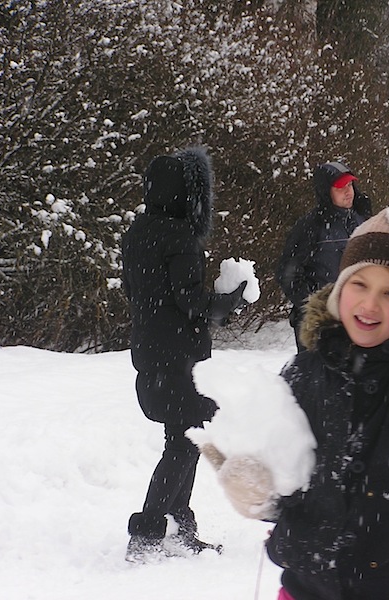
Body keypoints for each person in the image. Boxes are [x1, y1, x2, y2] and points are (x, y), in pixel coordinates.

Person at [216, 200, 389, 599]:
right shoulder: (302, 374)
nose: (370, 305)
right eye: (359, 285)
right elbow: (291, 482)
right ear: (338, 290)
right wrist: (261, 492)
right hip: (307, 587)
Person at [121, 146, 247, 562]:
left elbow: (139, 293)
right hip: (178, 358)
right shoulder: (181, 237)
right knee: (186, 443)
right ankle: (149, 532)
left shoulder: (137, 233)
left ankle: (178, 525)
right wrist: (231, 300)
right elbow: (193, 303)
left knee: (183, 438)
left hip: (149, 355)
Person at [276, 161, 372, 351]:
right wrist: (313, 307)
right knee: (317, 377)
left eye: (350, 184)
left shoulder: (363, 222)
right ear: (326, 191)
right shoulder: (310, 227)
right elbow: (286, 274)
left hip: (356, 320)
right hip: (318, 327)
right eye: (340, 187)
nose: (348, 191)